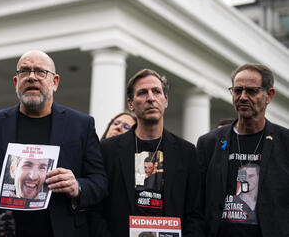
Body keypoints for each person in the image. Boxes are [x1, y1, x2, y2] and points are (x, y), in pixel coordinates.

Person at [0, 50, 107, 237]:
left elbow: (99, 181)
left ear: (55, 82)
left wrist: (77, 187)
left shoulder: (81, 125)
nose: (32, 77)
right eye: (24, 71)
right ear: (16, 82)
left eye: (40, 72)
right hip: (1, 230)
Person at [90, 69, 204, 236]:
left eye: (156, 92)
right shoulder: (108, 149)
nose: (151, 98)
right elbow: (95, 209)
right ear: (131, 104)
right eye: (142, 93)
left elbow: (196, 213)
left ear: (165, 100)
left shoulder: (186, 152)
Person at [197, 63, 289, 237]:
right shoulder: (208, 143)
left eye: (252, 91)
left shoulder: (285, 143)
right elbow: (197, 203)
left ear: (269, 95)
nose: (243, 97)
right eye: (237, 90)